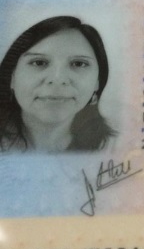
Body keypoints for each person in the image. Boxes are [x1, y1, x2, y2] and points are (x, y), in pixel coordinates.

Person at [0, 16, 116, 152]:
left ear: (98, 82)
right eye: (39, 62)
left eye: (79, 64)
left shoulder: (120, 149)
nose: (58, 79)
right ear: (11, 77)